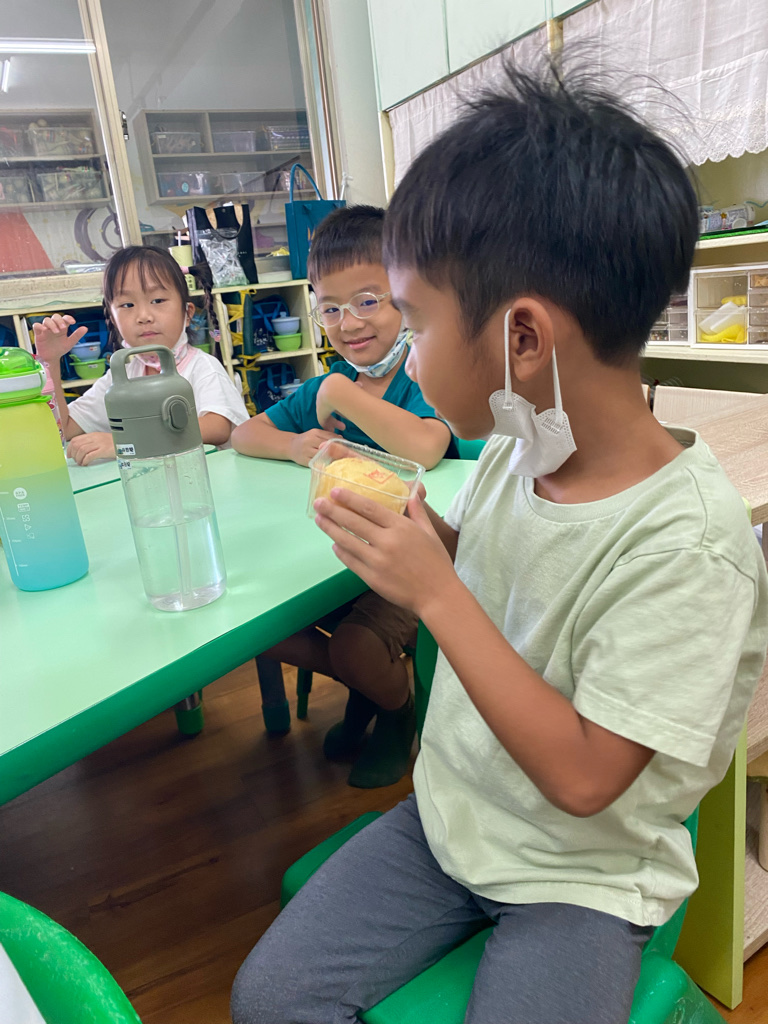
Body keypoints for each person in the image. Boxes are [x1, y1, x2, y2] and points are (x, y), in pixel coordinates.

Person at [231, 61, 768, 1024]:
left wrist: (433, 593)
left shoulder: (687, 546)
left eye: (416, 322)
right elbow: (489, 573)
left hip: (582, 873)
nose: (405, 350)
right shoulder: (519, 449)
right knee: (269, 999)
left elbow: (586, 780)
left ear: (522, 338)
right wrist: (420, 536)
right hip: (452, 819)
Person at [232, 205, 455, 788]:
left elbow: (428, 446)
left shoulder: (423, 374)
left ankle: (396, 707)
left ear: (406, 297)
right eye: (330, 308)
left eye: (367, 300)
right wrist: (293, 444)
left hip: (410, 561)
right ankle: (369, 687)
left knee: (357, 646)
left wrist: (341, 392)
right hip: (332, 558)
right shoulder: (327, 390)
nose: (348, 322)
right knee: (260, 625)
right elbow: (243, 434)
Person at [33, 245, 248, 465]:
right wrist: (50, 362)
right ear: (113, 319)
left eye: (158, 301)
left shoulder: (203, 367)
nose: (143, 316)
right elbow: (66, 427)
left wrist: (126, 443)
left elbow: (217, 427)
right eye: (127, 304)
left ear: (187, 313)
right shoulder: (122, 377)